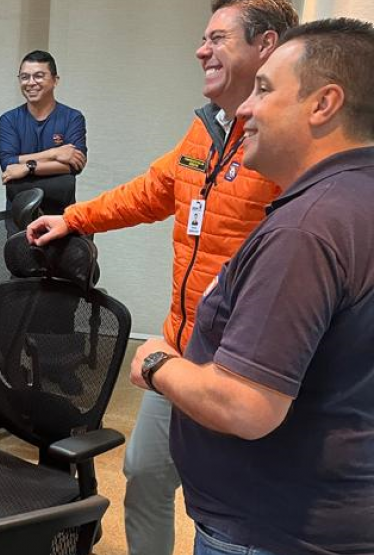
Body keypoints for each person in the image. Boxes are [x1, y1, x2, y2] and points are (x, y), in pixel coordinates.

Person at [26, 2, 297, 554]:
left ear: (265, 46)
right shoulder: (206, 129)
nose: (202, 50)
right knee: (145, 472)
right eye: (203, 38)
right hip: (179, 346)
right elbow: (151, 192)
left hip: (243, 365)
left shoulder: (288, 142)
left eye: (217, 38)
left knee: (224, 507)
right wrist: (72, 218)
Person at [130, 18, 374, 554]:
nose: (245, 109)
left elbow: (247, 406)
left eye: (264, 90)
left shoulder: (307, 228)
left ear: (323, 104)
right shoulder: (357, 198)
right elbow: (150, 190)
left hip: (269, 531)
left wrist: (155, 362)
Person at [0, 50, 87, 213]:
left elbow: (75, 165)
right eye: (24, 77)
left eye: (38, 76)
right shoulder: (9, 120)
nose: (30, 82)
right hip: (19, 215)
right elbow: (8, 163)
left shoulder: (72, 117)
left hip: (62, 216)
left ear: (55, 80)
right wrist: (54, 153)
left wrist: (27, 167)